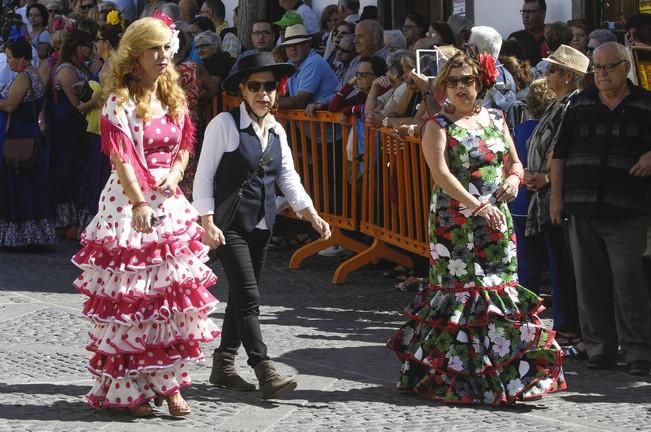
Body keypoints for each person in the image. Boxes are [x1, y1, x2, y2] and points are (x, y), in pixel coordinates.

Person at [387, 51, 566, 404]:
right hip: (455, 224)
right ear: (443, 87)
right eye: (451, 82)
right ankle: (453, 378)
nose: (459, 88)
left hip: (496, 220)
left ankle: (506, 379)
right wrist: (476, 205)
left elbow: (514, 162)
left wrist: (514, 181)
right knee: (463, 293)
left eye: (466, 80)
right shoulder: (437, 126)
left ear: (480, 82)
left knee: (498, 291)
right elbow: (440, 174)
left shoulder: (497, 119)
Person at [72, 16, 221, 417]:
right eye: (155, 49)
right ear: (135, 55)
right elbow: (120, 156)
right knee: (133, 300)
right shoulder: (119, 100)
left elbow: (186, 142)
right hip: (130, 203)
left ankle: (169, 385)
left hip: (169, 204)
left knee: (171, 300)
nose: (163, 56)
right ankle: (129, 387)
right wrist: (139, 203)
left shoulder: (173, 96)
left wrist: (175, 174)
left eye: (166, 49)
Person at [193, 52, 331, 399]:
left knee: (241, 296)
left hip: (261, 224)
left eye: (269, 86)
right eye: (254, 86)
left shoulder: (277, 130)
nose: (262, 93)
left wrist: (310, 213)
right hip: (229, 225)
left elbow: (287, 176)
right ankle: (263, 366)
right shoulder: (223, 125)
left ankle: (223, 365)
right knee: (249, 298)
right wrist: (206, 221)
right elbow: (204, 175)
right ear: (242, 89)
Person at [550, 42, 651, 376]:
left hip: (628, 207)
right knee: (589, 282)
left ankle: (638, 350)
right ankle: (600, 349)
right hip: (582, 206)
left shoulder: (645, 104)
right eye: (597, 68)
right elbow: (560, 154)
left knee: (628, 280)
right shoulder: (579, 105)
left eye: (609, 67)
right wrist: (556, 198)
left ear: (626, 68)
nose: (602, 74)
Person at [525, 45, 588, 356]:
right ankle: (566, 327)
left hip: (556, 193)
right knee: (559, 262)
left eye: (552, 70)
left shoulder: (571, 105)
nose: (546, 75)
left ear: (568, 76)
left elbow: (565, 149)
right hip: (544, 192)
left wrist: (546, 178)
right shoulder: (560, 103)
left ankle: (570, 330)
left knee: (565, 265)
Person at [0, 33, 55, 247]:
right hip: (29, 132)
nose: (9, 62)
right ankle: (32, 234)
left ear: (22, 58)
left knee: (18, 180)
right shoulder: (33, 76)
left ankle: (21, 234)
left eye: (11, 57)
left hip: (19, 134)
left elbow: (11, 105)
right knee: (30, 182)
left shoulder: (25, 77)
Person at [51, 29, 94, 239]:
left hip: (80, 128)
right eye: (86, 45)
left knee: (79, 170)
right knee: (68, 170)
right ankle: (65, 221)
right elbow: (76, 104)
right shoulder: (66, 69)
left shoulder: (83, 67)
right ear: (76, 47)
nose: (89, 50)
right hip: (67, 127)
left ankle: (77, 219)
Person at [277, 24, 338, 109]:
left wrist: (271, 101)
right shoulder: (291, 63)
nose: (293, 49)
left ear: (308, 44)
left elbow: (300, 102)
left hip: (330, 121)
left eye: (298, 44)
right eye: (289, 45)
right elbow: (283, 93)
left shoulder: (312, 62)